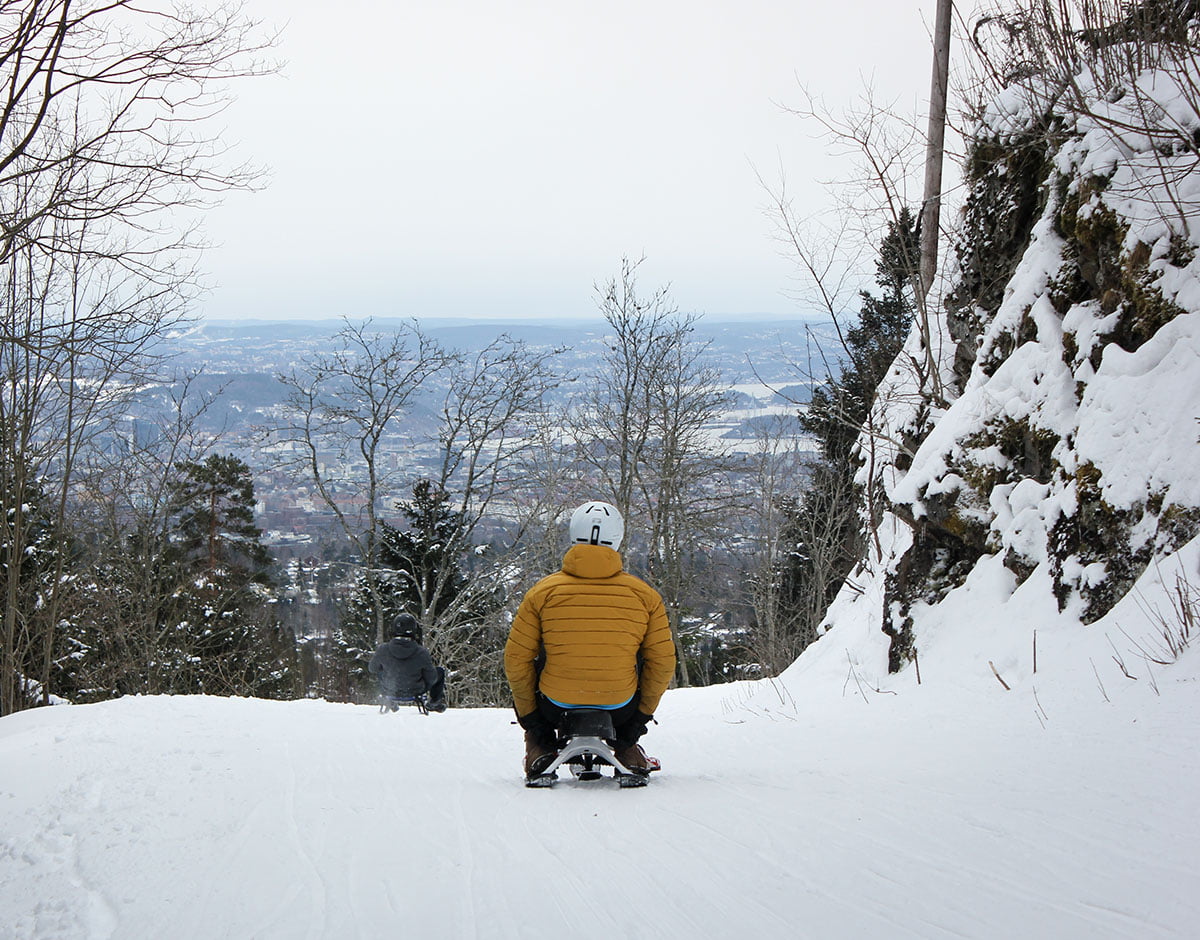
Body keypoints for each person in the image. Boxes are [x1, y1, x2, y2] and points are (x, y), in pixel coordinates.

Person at [504, 500, 676, 777]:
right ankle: (627, 750)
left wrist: (533, 721)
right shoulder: (645, 596)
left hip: (554, 704)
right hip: (621, 705)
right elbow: (663, 663)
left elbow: (515, 659)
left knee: (534, 660)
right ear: (617, 538)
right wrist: (639, 720)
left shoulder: (542, 592)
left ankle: (540, 749)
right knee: (643, 658)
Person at [369, 613, 447, 712]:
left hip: (389, 689)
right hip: (415, 690)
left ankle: (389, 701)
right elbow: (431, 678)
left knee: (379, 668)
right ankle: (434, 702)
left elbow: (372, 668)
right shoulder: (421, 652)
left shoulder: (383, 649)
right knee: (439, 671)